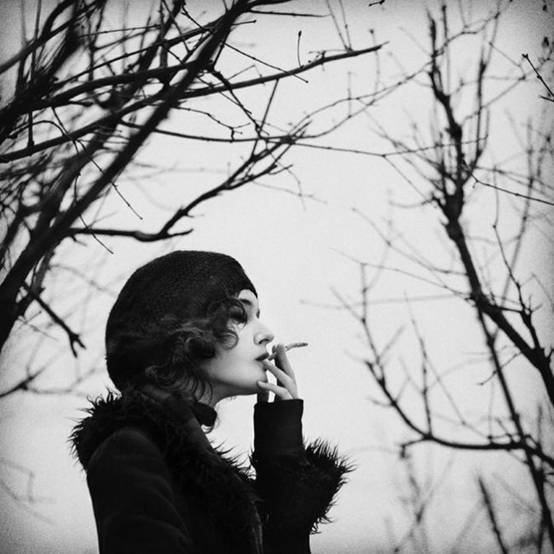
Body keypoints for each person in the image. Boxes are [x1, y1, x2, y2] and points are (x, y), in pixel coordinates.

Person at [70, 250, 353, 554]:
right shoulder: (130, 451)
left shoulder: (199, 469)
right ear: (182, 330)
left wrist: (282, 457)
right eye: (240, 316)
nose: (267, 334)